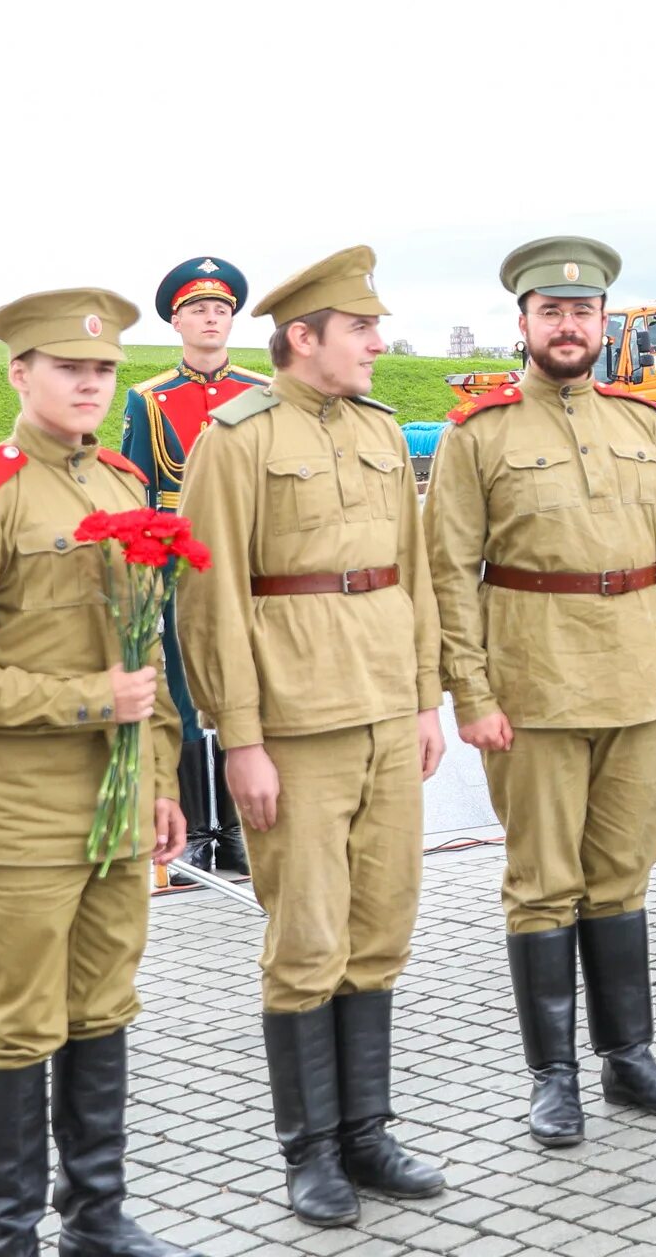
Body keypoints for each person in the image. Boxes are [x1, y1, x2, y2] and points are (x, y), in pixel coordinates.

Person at [0, 287, 197, 1257]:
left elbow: (143, 662)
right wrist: (82, 699)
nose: (89, 382)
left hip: (114, 811)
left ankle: (99, 1217)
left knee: (105, 1006)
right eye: (69, 366)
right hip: (18, 815)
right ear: (21, 373)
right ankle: (11, 1234)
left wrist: (159, 782)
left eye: (104, 368)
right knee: (21, 1025)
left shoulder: (119, 485)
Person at [179, 247, 448, 1228]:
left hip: (385, 706)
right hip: (293, 724)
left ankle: (368, 1130)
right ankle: (312, 1150)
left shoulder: (381, 430)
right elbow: (209, 601)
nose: (379, 343)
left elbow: (412, 571)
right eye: (361, 328)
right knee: (308, 936)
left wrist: (426, 697)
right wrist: (238, 737)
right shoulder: (237, 438)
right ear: (304, 337)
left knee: (381, 925)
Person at [426, 236, 656, 1149]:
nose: (568, 325)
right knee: (544, 886)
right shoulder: (482, 433)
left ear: (601, 323)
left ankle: (628, 1059)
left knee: (623, 876)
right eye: (551, 311)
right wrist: (469, 694)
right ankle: (552, 1077)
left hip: (635, 685)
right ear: (524, 323)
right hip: (534, 686)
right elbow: (447, 572)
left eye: (582, 311)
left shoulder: (638, 424)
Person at [120, 255, 264, 876]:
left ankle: (237, 829)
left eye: (221, 310)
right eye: (199, 310)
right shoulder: (150, 399)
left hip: (249, 557)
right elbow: (138, 490)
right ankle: (193, 832)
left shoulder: (260, 393)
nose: (211, 319)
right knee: (180, 692)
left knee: (245, 685)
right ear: (177, 322)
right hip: (179, 562)